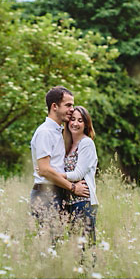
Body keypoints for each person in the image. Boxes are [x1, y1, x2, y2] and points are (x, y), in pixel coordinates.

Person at [30, 86, 90, 242]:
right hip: (46, 195)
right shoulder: (45, 132)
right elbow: (44, 170)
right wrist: (73, 187)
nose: (72, 109)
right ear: (54, 106)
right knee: (48, 246)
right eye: (68, 105)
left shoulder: (58, 131)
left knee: (56, 244)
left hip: (57, 193)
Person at [62, 105, 99, 250]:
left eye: (80, 120)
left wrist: (55, 175)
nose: (75, 123)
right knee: (74, 247)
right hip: (69, 202)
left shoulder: (86, 143)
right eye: (72, 119)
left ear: (86, 124)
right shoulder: (67, 144)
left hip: (83, 202)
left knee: (85, 247)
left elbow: (78, 174)